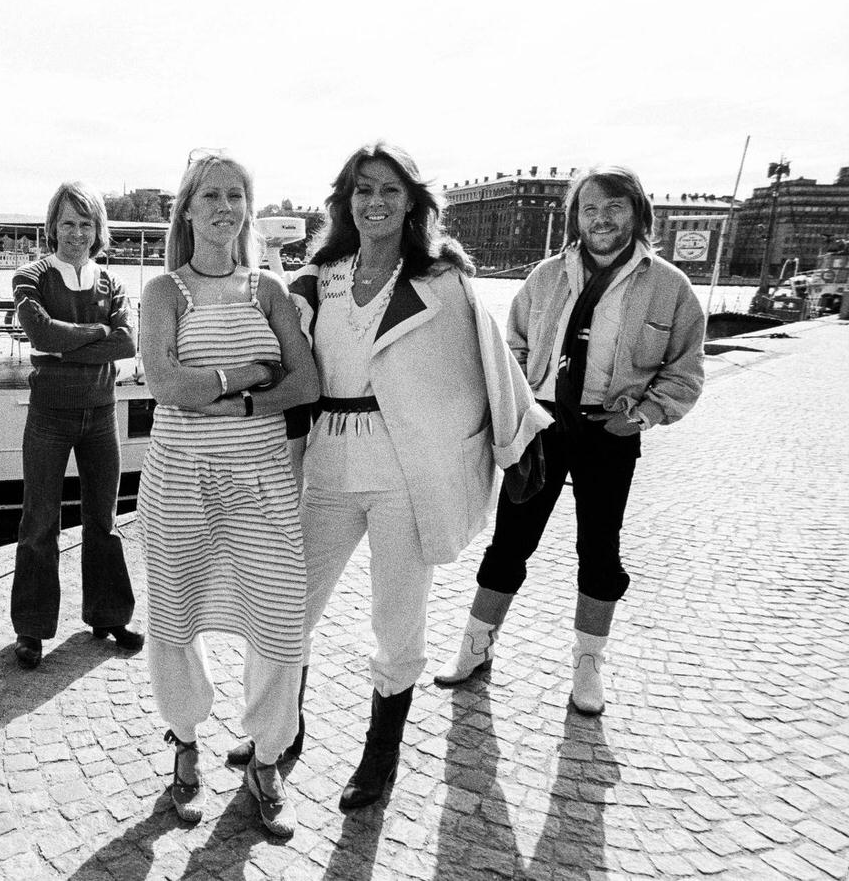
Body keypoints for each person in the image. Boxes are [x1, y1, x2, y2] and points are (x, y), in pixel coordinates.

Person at [244, 141, 550, 812]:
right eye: (362, 190)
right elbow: (281, 349)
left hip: (404, 471)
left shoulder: (442, 282)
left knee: (397, 619)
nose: (375, 202)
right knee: (290, 608)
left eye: (388, 189)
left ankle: (380, 754)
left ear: (411, 200)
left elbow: (493, 365)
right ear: (345, 201)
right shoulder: (321, 276)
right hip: (327, 462)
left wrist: (518, 438)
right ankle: (280, 733)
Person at [435, 165, 705, 715]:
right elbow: (512, 348)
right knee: (511, 542)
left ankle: (588, 667)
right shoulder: (545, 277)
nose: (601, 219)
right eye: (589, 208)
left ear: (637, 213)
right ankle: (476, 647)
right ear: (575, 216)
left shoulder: (670, 287)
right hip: (543, 423)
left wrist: (646, 415)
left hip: (610, 430)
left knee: (599, 551)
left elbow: (685, 371)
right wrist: (518, 408)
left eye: (614, 208)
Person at [137, 152, 319, 838]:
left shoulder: (267, 289)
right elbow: (167, 386)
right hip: (180, 483)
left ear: (248, 206)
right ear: (186, 209)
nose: (224, 207)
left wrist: (232, 405)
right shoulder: (164, 292)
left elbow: (303, 385)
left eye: (236, 195)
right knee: (176, 620)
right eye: (210, 195)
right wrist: (248, 372)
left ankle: (266, 759)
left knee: (279, 622)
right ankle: (185, 744)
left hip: (262, 482)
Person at [9, 181, 141, 670]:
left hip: (100, 415)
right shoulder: (30, 276)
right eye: (68, 222)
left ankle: (108, 615)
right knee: (39, 524)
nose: (77, 233)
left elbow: (127, 344)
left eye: (87, 224)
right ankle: (32, 629)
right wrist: (99, 331)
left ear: (97, 230)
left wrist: (71, 345)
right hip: (49, 417)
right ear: (53, 226)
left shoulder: (113, 283)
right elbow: (40, 332)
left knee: (102, 521)